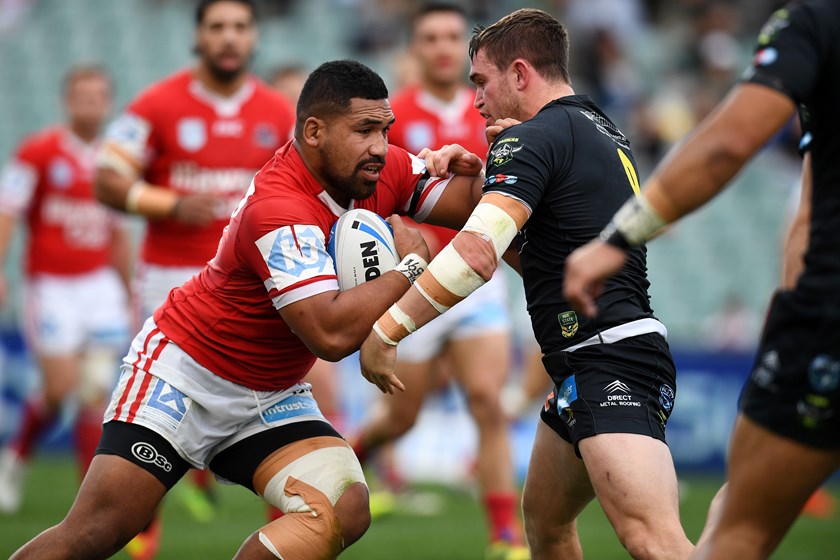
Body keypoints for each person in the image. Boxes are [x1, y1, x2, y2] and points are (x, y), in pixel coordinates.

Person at [10, 58, 489, 560]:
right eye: (364, 130)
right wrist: (410, 268)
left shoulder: (376, 169)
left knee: (344, 507)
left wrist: (496, 161)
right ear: (314, 131)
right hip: (186, 377)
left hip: (270, 393)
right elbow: (329, 336)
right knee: (98, 531)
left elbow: (475, 202)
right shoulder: (279, 208)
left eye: (384, 130)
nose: (379, 146)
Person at [360, 8, 694, 559]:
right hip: (586, 359)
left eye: (481, 82)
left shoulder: (535, 138)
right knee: (546, 526)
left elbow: (476, 254)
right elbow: (544, 259)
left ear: (519, 74)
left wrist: (388, 329)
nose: (476, 100)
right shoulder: (596, 126)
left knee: (653, 541)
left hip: (608, 360)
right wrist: (484, 179)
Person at [563, 2, 840, 558]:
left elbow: (729, 143)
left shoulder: (817, 21)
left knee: (738, 530)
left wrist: (619, 238)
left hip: (827, 322)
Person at [95, 0, 295, 550]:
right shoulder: (157, 103)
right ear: (198, 37)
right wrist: (165, 203)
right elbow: (107, 178)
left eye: (240, 27)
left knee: (279, 402)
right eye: (217, 27)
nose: (229, 37)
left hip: (254, 282)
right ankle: (142, 539)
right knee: (154, 419)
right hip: (170, 280)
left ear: (254, 37)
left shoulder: (278, 111)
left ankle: (286, 538)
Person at [350, 5, 527, 558]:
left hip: (481, 278)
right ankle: (355, 453)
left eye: (453, 36)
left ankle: (505, 534)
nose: (443, 47)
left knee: (488, 402)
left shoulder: (497, 109)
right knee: (402, 416)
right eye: (431, 37)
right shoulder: (393, 115)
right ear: (415, 48)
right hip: (417, 284)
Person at [0, 65, 131, 515]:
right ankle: (15, 457)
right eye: (82, 96)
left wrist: (127, 287)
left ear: (108, 103)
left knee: (95, 392)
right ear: (67, 102)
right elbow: (8, 212)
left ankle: (87, 500)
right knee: (58, 391)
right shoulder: (37, 152)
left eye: (98, 97)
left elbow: (118, 232)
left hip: (99, 286)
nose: (90, 105)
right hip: (51, 286)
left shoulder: (115, 161)